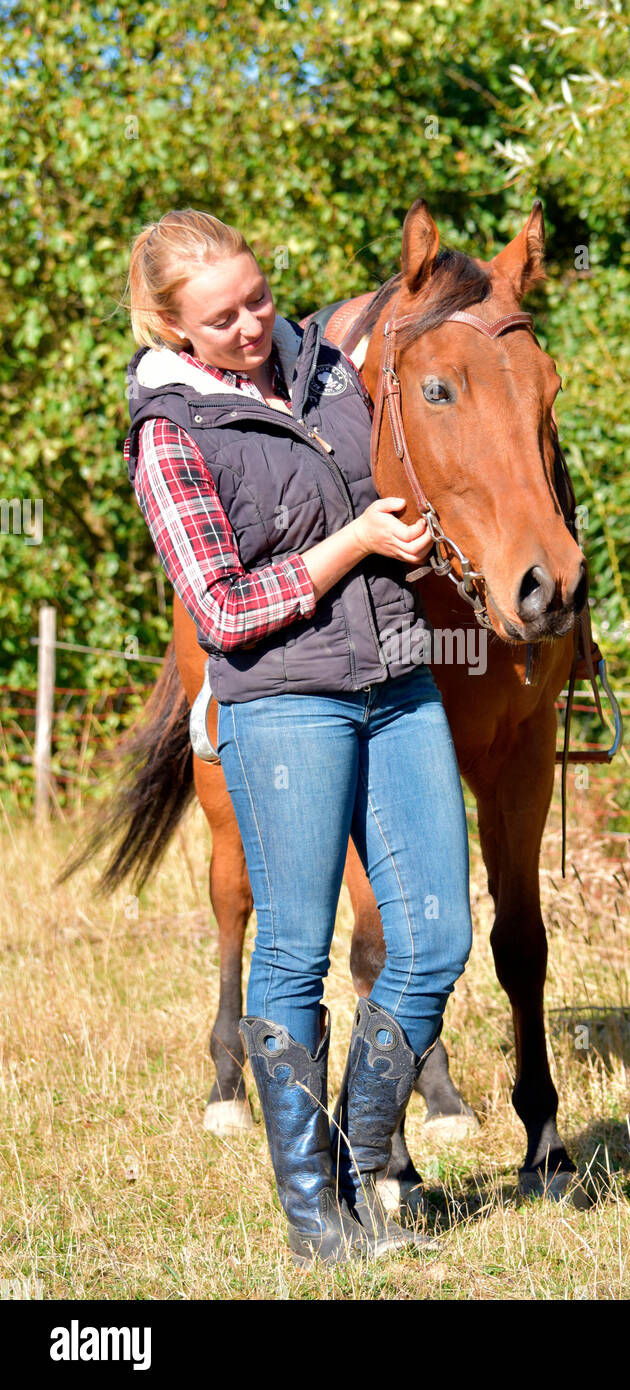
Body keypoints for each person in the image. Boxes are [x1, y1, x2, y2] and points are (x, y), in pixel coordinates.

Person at [123, 209, 474, 1266]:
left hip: (398, 677)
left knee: (436, 938)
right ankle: (319, 1221)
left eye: (259, 297)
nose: (251, 326)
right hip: (282, 701)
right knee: (291, 949)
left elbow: (411, 469)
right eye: (221, 317)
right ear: (173, 329)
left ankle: (366, 1155)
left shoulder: (328, 372)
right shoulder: (170, 432)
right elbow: (223, 609)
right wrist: (353, 541)